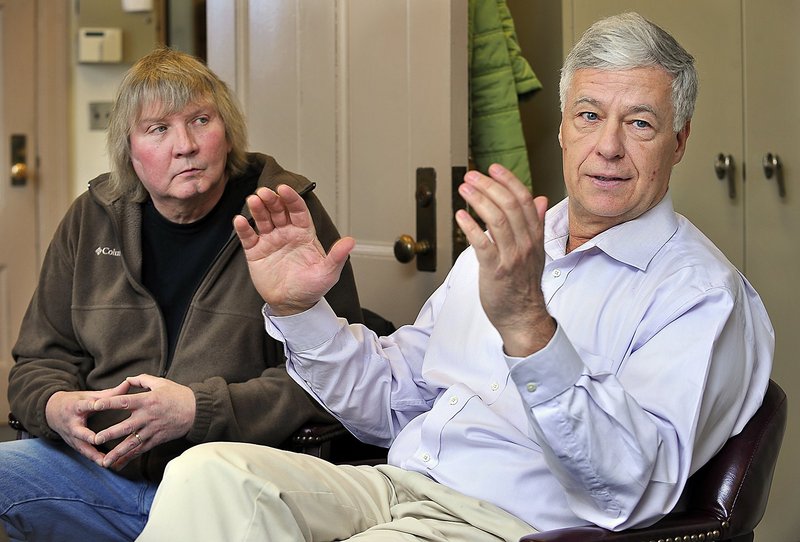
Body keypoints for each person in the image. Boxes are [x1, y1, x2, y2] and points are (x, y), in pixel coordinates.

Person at [137, 12, 774, 540]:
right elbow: (392, 401)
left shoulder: (701, 296)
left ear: (680, 140)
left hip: (505, 525)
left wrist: (531, 328)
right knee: (205, 476)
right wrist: (304, 313)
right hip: (400, 484)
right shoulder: (506, 248)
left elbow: (634, 489)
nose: (607, 145)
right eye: (588, 115)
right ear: (561, 128)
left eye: (639, 123)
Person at [0, 48, 363, 542]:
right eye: (158, 129)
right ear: (129, 148)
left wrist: (197, 409)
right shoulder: (92, 215)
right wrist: (54, 405)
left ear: (228, 131)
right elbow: (38, 361)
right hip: (101, 474)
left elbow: (336, 383)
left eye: (200, 120)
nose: (186, 145)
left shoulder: (283, 212)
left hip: (226, 482)